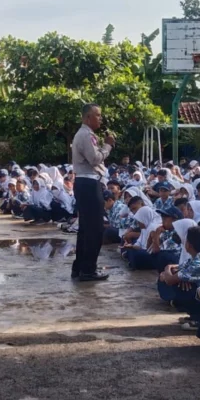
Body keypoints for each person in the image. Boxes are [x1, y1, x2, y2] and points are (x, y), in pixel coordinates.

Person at [70, 103, 114, 282]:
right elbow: (95, 158)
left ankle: (80, 267)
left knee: (85, 228)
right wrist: (108, 146)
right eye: (97, 115)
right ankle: (88, 269)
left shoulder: (85, 134)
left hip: (84, 182)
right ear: (87, 118)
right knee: (94, 229)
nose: (100, 119)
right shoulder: (86, 135)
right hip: (88, 183)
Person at [160, 225, 200, 331]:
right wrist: (169, 269)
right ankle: (195, 315)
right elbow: (176, 267)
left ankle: (199, 319)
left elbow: (169, 280)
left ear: (189, 245)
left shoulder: (199, 262)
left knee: (176, 285)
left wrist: (167, 270)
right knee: (176, 281)